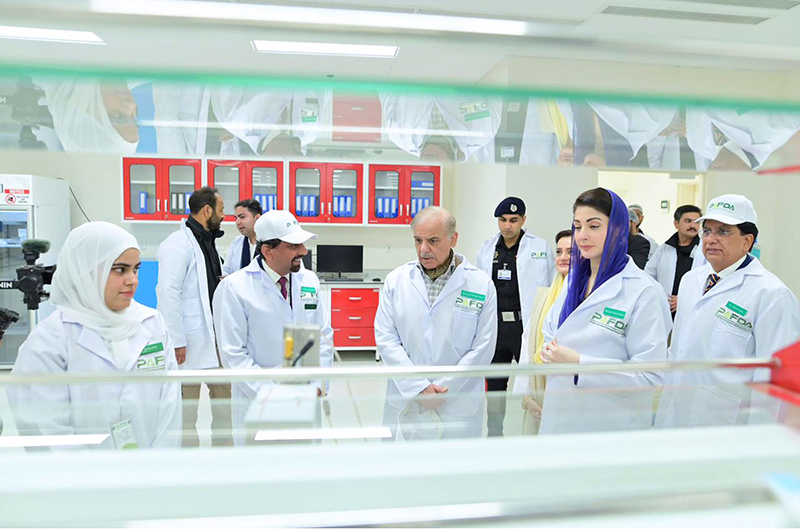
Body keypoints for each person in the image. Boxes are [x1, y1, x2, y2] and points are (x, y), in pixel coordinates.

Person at [10, 222, 181, 449]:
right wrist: (92, 479)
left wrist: (158, 465)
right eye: (120, 269)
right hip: (80, 478)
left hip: (149, 471)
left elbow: (170, 404)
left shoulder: (151, 322)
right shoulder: (50, 339)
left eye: (135, 269)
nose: (132, 280)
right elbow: (45, 427)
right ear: (85, 271)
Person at [657, 195, 800, 428]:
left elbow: (774, 379)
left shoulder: (772, 295)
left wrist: (761, 438)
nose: (711, 239)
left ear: (747, 241)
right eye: (707, 231)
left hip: (727, 422)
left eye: (723, 232)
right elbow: (678, 349)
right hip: (677, 410)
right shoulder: (691, 280)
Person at [538, 188, 671, 434]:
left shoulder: (643, 291)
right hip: (561, 413)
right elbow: (551, 332)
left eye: (594, 226)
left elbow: (650, 376)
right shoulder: (573, 280)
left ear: (619, 229)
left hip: (610, 425)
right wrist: (550, 351)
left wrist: (580, 365)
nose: (582, 236)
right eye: (577, 226)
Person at [375, 206, 497, 440]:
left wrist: (444, 389)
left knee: (455, 469)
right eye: (418, 240)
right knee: (403, 467)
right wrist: (418, 387)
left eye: (432, 241)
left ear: (453, 239)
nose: (423, 249)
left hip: (457, 398)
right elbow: (386, 339)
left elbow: (483, 347)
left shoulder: (480, 284)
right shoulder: (396, 280)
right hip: (407, 395)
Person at [213, 210, 333, 445]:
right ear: (268, 250)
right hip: (259, 401)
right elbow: (233, 355)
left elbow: (323, 336)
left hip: (306, 396)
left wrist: (318, 386)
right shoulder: (235, 289)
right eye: (294, 245)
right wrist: (275, 396)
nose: (304, 251)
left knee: (303, 472)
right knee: (261, 473)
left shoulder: (308, 280)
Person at [156, 187, 231, 447]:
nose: (224, 216)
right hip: (187, 342)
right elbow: (168, 293)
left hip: (215, 339)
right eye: (221, 210)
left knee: (225, 405)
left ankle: (225, 454)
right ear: (207, 210)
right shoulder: (177, 245)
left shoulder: (209, 242)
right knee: (186, 410)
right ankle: (189, 462)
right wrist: (176, 340)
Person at [475, 197, 555, 436]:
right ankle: (494, 432)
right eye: (502, 220)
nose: (507, 225)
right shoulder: (487, 249)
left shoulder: (540, 247)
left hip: (525, 326)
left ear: (523, 220)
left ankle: (533, 431)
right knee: (496, 384)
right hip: (497, 327)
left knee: (532, 382)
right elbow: (479, 288)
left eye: (513, 220)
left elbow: (551, 287)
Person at [514, 229, 572, 435]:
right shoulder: (544, 296)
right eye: (559, 252)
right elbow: (527, 344)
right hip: (539, 388)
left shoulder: (587, 296)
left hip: (570, 391)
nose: (563, 257)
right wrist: (527, 397)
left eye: (570, 252)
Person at [645, 205, 705, 316]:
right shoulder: (664, 249)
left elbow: (709, 281)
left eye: (696, 222)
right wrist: (659, 297)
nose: (693, 226)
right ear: (676, 224)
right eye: (688, 221)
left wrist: (685, 299)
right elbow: (648, 275)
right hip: (664, 308)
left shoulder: (705, 250)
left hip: (692, 310)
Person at [222, 198, 263, 276]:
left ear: (257, 218)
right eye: (236, 218)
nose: (237, 222)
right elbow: (227, 270)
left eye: (242, 217)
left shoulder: (270, 242)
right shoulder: (236, 243)